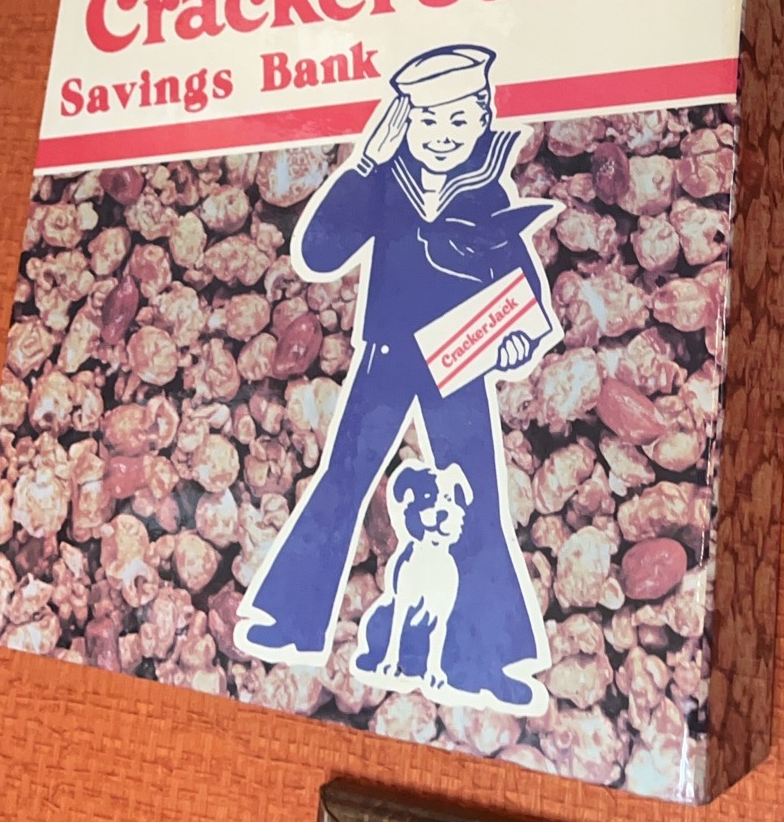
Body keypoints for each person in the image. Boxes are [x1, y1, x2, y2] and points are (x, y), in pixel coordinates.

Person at [232, 44, 559, 709]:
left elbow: (518, 276)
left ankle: (486, 660)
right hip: (386, 355)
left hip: (459, 363)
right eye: (427, 120)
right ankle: (289, 619)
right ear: (403, 121)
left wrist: (517, 336)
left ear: (482, 117)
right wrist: (363, 167)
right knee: (344, 478)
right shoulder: (385, 183)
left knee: (479, 500)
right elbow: (320, 250)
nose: (442, 135)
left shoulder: (487, 189)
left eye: (458, 120)